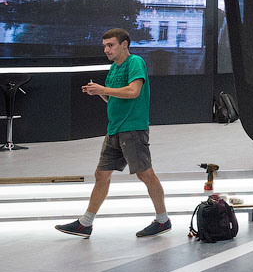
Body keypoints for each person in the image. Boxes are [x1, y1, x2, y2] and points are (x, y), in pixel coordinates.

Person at [56, 29, 170, 238]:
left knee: (145, 174)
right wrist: (98, 92)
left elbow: (133, 91)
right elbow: (113, 98)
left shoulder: (135, 62)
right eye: (105, 46)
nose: (106, 50)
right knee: (101, 175)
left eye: (110, 45)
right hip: (114, 129)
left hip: (132, 129)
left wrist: (103, 90)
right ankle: (85, 223)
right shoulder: (114, 69)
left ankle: (162, 220)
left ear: (124, 44)